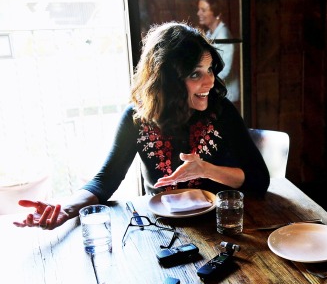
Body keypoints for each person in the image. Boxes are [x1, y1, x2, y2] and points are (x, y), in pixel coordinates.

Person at [13, 21, 270, 230]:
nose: (210, 82)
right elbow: (105, 180)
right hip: (162, 229)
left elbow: (259, 180)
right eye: (195, 74)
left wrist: (206, 169)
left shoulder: (221, 112)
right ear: (167, 80)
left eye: (210, 69)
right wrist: (66, 210)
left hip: (221, 226)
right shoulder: (136, 119)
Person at [197, 0, 240, 103]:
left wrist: (200, 80)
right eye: (199, 9)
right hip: (217, 92)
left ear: (217, 13)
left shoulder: (223, 35)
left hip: (228, 95)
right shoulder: (210, 34)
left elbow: (224, 70)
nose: (198, 13)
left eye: (203, 10)